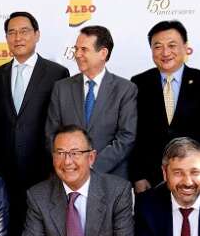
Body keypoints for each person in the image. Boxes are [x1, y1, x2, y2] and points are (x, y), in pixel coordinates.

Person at [0, 11, 69, 236]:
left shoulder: (57, 73)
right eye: (11, 32)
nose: (17, 37)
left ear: (37, 34)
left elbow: (61, 125)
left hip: (45, 173)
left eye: (24, 31)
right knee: (11, 235)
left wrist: (56, 169)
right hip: (6, 175)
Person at [130, 20, 200, 190]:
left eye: (172, 45)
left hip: (193, 177)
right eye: (158, 46)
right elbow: (135, 134)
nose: (165, 52)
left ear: (185, 47)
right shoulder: (138, 83)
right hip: (151, 179)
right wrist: (138, 176)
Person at [45, 25, 137, 179]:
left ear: (103, 53)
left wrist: (90, 166)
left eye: (84, 49)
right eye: (76, 49)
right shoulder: (61, 88)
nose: (77, 54)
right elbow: (51, 134)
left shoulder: (125, 89)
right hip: (67, 178)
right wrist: (70, 164)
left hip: (109, 178)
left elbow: (126, 137)